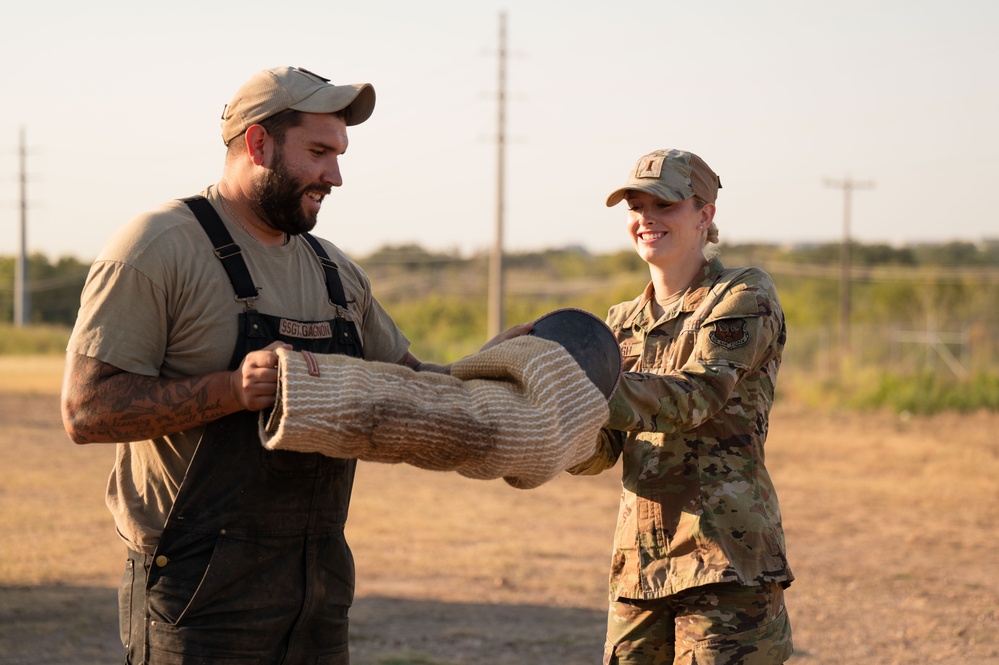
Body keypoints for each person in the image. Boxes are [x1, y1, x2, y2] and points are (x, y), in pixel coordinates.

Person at [59, 65, 519, 664]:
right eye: (319, 152)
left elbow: (410, 386)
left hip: (319, 590)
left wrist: (493, 366)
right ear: (258, 143)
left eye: (339, 154)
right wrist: (233, 388)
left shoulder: (336, 273)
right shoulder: (157, 248)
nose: (336, 175)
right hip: (198, 598)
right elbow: (86, 412)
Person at [568, 149, 794, 664]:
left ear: (704, 214)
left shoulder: (742, 294)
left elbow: (697, 396)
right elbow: (602, 450)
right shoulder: (620, 321)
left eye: (665, 204)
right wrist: (547, 425)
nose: (646, 217)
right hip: (639, 567)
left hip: (725, 562)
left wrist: (581, 388)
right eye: (635, 205)